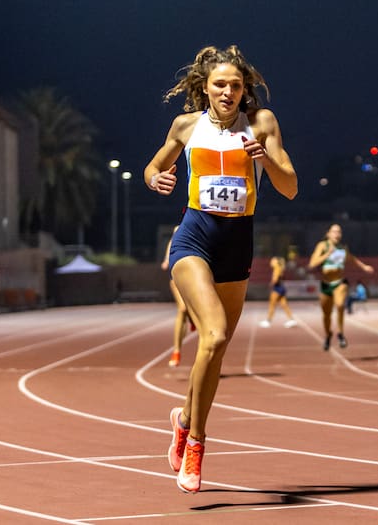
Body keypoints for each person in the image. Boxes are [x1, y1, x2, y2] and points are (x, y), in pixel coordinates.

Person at [144, 45, 297, 493]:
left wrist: (263, 158)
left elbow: (289, 187)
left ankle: (183, 419)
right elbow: (155, 165)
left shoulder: (262, 124)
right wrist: (156, 178)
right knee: (212, 335)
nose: (228, 92)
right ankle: (197, 443)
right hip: (194, 238)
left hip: (237, 244)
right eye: (219, 85)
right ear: (205, 89)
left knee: (215, 351)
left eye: (235, 85)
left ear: (244, 88)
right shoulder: (186, 126)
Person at [308, 223, 374, 350]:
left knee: (339, 305)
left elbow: (352, 259)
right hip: (326, 284)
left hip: (339, 282)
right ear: (328, 234)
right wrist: (327, 254)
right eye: (334, 231)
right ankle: (328, 334)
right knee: (326, 314)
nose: (337, 234)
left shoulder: (343, 248)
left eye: (339, 232)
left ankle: (340, 333)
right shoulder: (322, 246)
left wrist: (364, 266)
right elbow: (312, 263)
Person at [161, 225, 195, 367]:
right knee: (182, 309)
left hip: (195, 277)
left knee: (198, 314)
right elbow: (170, 248)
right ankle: (176, 351)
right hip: (177, 276)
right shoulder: (178, 229)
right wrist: (167, 259)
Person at [259, 256, 298, 328]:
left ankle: (268, 321)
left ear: (276, 262)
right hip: (281, 288)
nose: (271, 262)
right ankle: (292, 320)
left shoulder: (276, 268)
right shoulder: (280, 268)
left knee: (272, 305)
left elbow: (275, 279)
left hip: (277, 288)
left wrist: (271, 285)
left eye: (273, 260)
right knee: (284, 305)